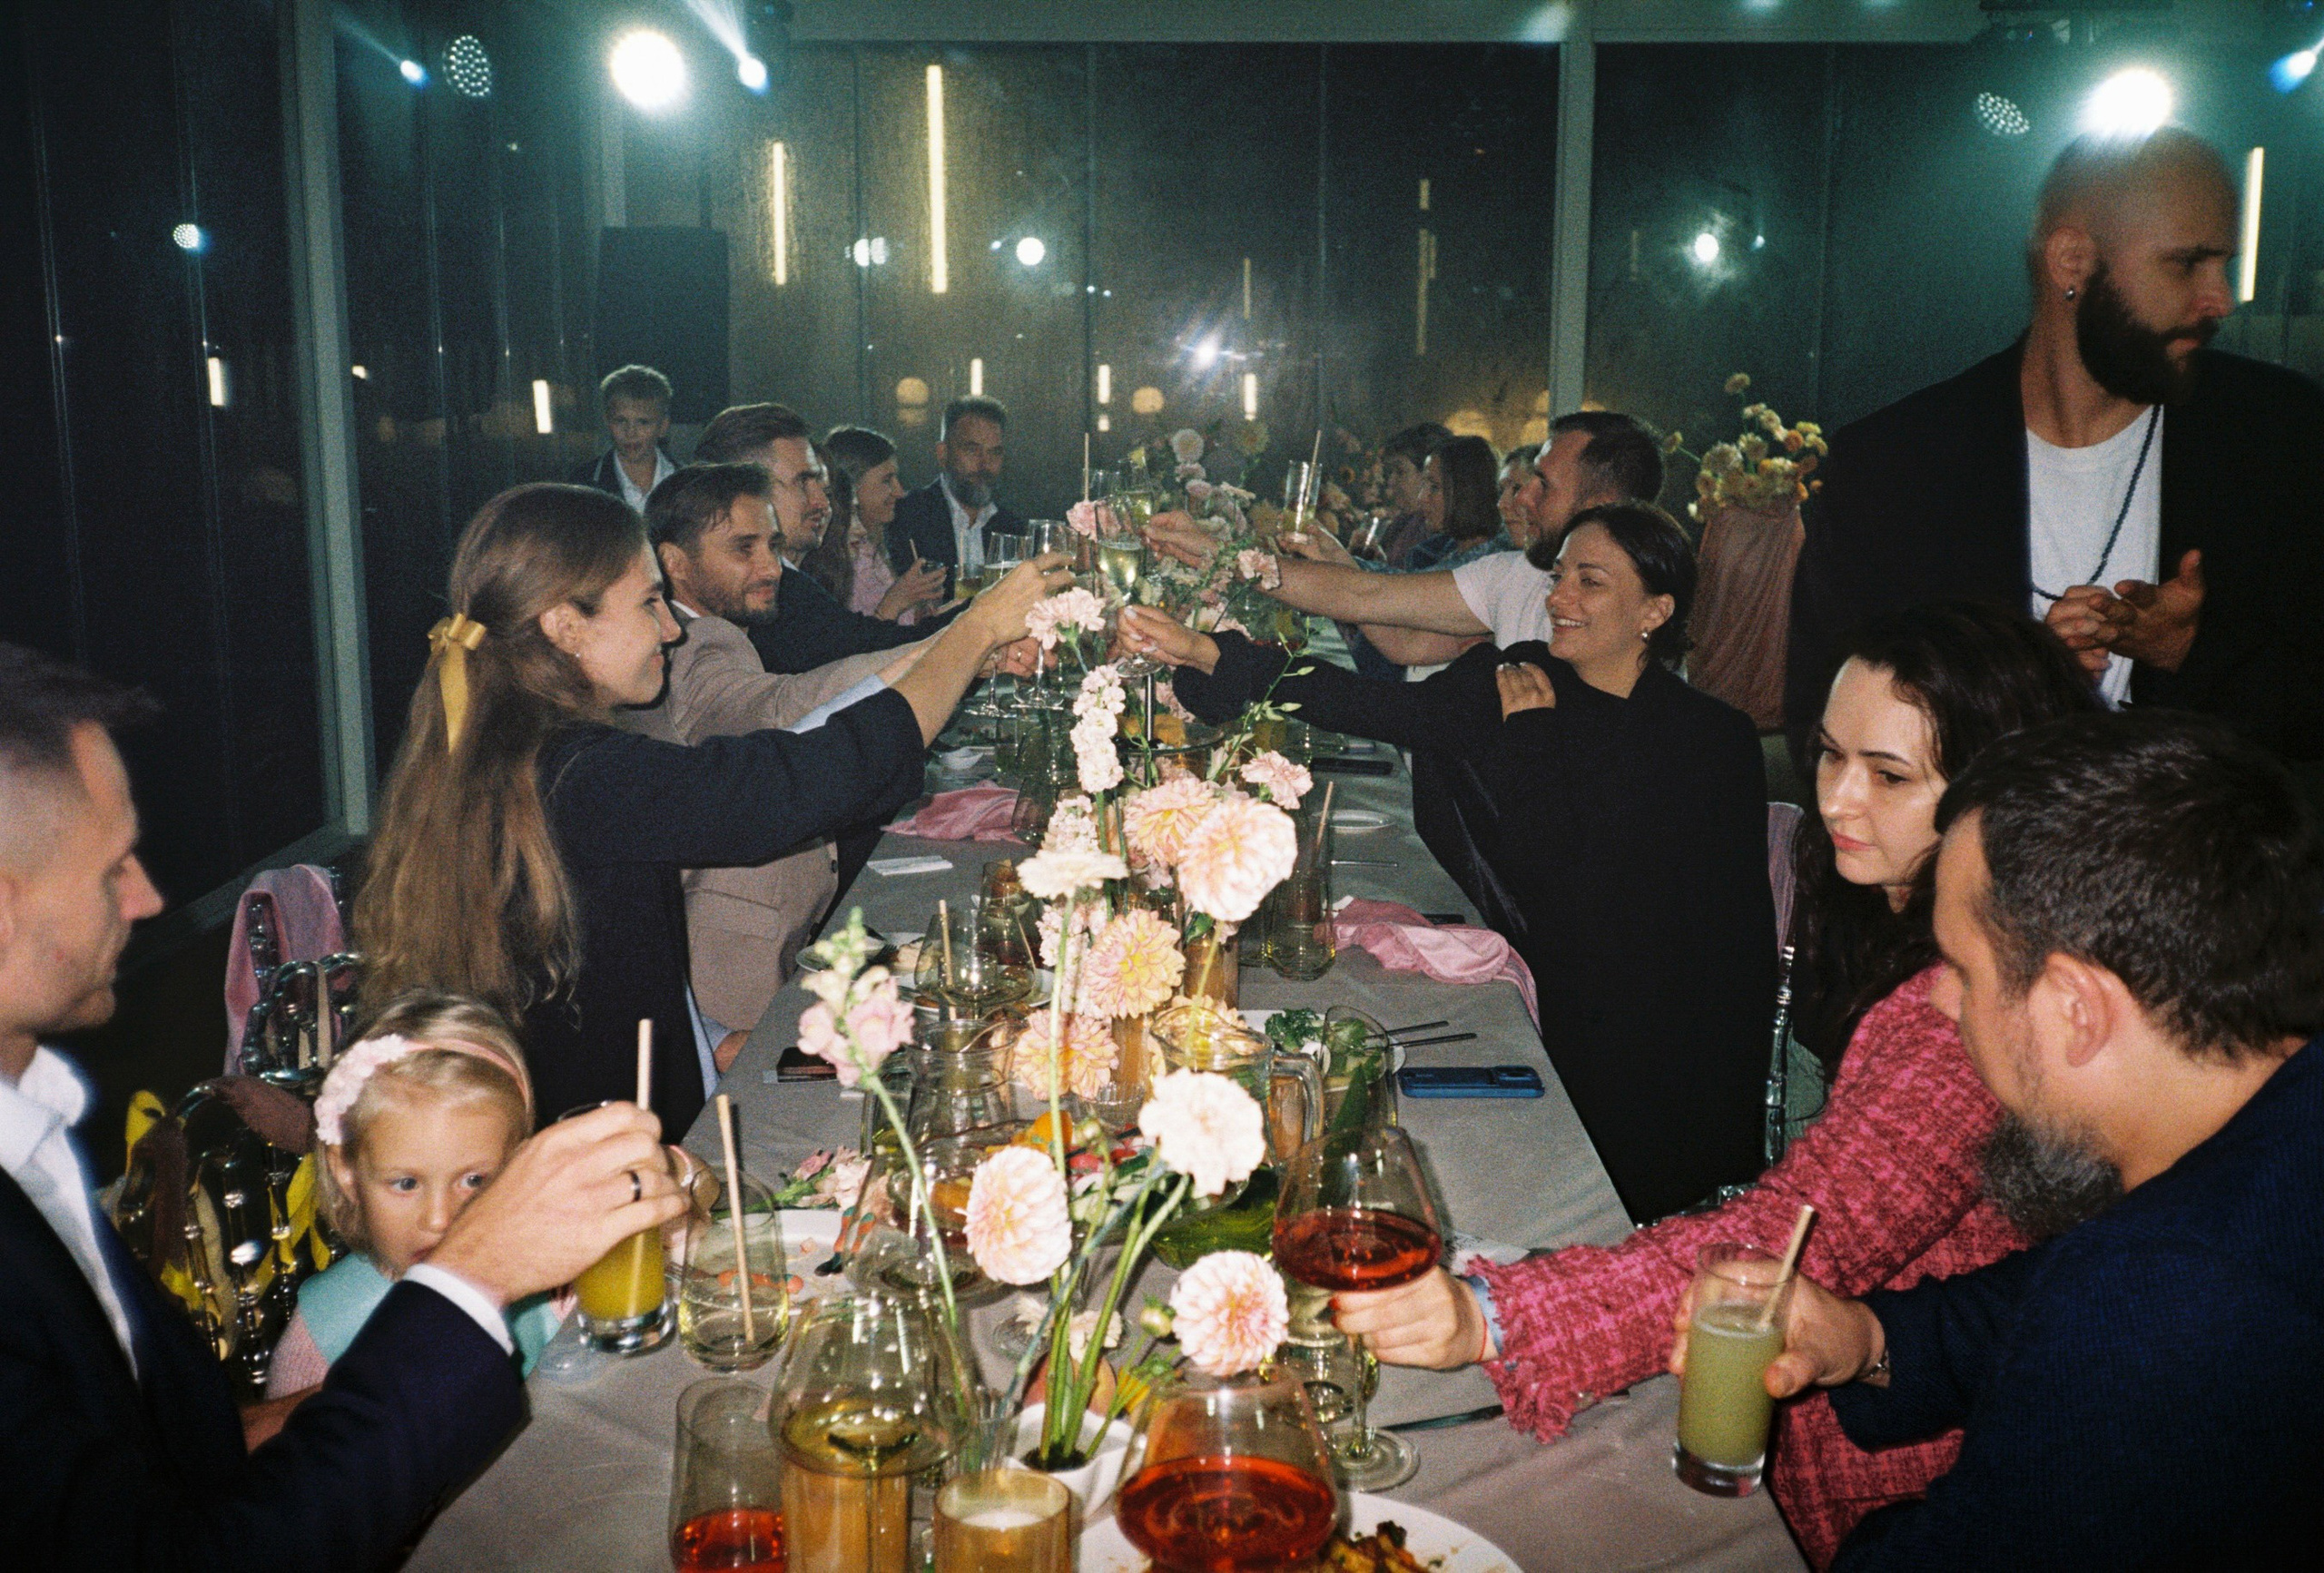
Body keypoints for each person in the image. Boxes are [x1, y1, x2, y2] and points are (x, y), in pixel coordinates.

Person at [1328, 602, 2099, 1568]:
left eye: (1889, 774)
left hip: (1882, 1483)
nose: (1837, 801)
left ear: (2003, 791)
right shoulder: (1915, 929)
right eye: (1828, 755)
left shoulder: (1972, 1010)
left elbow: (1798, 1234)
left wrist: (1489, 1315)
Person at [0, 640, 685, 1570]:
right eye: (113, 867)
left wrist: (301, 1411)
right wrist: (473, 1268)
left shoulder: (31, 1137)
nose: (151, 897)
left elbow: (124, 1470)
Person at [1722, 712, 2324, 1568]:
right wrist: (1868, 1339)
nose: (1940, 1003)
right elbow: (2041, 1294)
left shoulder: (2168, 1297)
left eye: (1963, 972)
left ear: (2075, 1009)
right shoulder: (2271, 1109)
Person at [353, 481, 1066, 1138]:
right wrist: (972, 632)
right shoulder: (579, 774)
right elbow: (790, 781)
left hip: (650, 1089)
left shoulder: (523, 751)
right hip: (605, 1152)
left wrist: (711, 1037)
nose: (670, 628)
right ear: (566, 626)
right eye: (647, 603)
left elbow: (603, 967)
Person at [1126, 503, 1774, 1220]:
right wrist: (1211, 654)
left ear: (1655, 610)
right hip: (1551, 990)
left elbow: (1584, 897)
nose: (1557, 600)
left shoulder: (1708, 745)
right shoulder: (1526, 674)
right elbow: (1372, 706)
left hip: (1652, 1055)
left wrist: (1527, 744)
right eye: (1559, 578)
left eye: (1589, 583)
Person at [1786, 126, 2324, 772]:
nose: (2222, 298)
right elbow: (1824, 730)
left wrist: (2191, 653)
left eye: (2225, 264)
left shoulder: (2283, 435)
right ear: (2071, 261)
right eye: (2186, 263)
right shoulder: (1895, 464)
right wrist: (2019, 684)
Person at [626, 462, 924, 1047]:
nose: (770, 567)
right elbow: (778, 708)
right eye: (744, 548)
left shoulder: (725, 628)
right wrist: (951, 650)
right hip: (731, 978)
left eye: (772, 545)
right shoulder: (692, 644)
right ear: (675, 564)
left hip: (769, 944)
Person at [1156, 411, 1664, 666]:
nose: (1521, 499)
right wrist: (1218, 553)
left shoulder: (1633, 616)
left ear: (1601, 506)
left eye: (1543, 485)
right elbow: (1380, 611)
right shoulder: (1513, 574)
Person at [265, 993, 562, 1396]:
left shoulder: (549, 1272)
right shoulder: (322, 1333)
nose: (440, 1219)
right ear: (347, 1173)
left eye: (474, 1180)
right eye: (406, 1184)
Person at [694, 403, 949, 674]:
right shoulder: (771, 586)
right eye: (803, 482)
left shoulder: (795, 582)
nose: (821, 504)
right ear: (747, 491)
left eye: (822, 488)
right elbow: (864, 652)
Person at [887, 396, 1029, 601]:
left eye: (994, 453)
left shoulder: (1012, 528)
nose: (984, 464)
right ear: (943, 453)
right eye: (972, 450)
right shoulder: (906, 516)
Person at [805, 426, 946, 624]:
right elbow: (850, 645)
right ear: (851, 486)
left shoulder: (875, 546)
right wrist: (896, 602)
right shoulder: (828, 563)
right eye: (887, 480)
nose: (900, 492)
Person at [571, 364, 677, 512]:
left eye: (643, 422)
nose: (630, 433)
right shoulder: (583, 485)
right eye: (621, 421)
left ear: (663, 427)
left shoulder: (685, 482)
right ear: (607, 422)